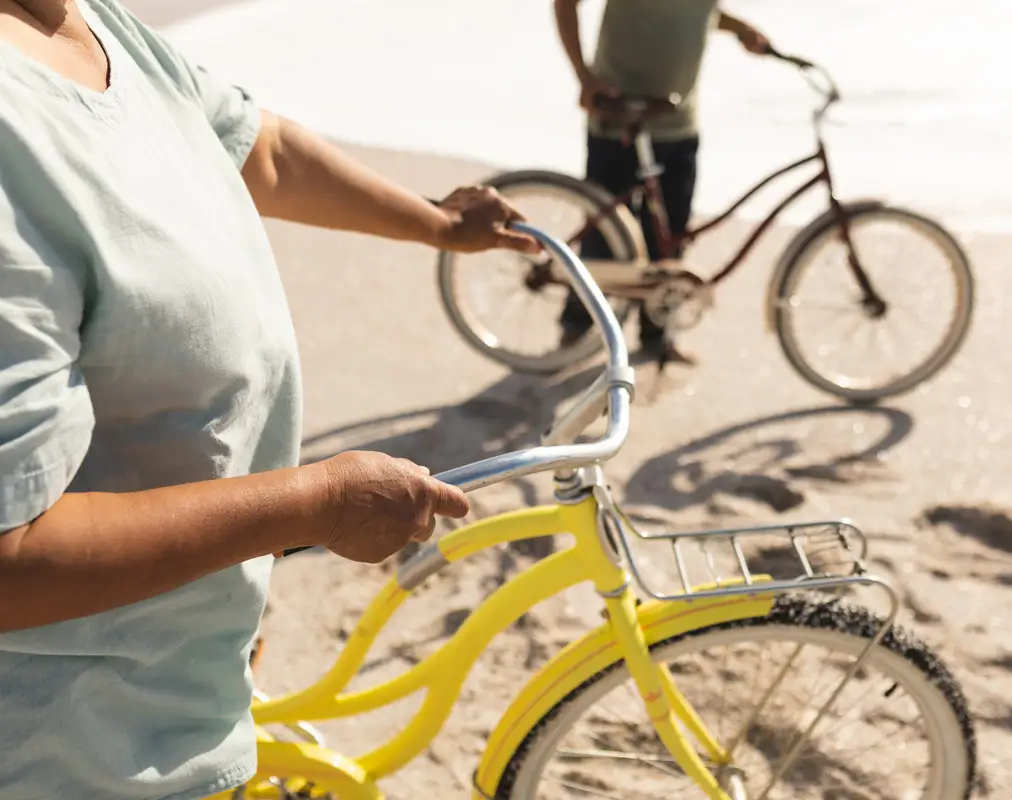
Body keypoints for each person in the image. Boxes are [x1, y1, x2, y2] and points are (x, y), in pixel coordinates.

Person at [0, 1, 540, 798]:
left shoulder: (90, 21)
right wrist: (311, 504)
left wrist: (436, 224)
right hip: (76, 751)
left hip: (178, 677)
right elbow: (12, 559)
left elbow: (263, 150)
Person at [553, 0, 771, 365]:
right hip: (619, 120)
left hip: (679, 125)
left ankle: (656, 338)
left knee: (669, 240)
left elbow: (697, 11)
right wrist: (585, 77)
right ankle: (575, 329)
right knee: (603, 237)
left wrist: (740, 29)